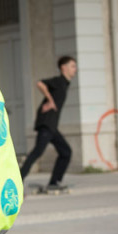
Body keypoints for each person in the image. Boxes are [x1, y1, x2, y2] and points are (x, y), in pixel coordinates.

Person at [19, 56, 77, 192]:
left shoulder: (65, 84)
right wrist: (50, 100)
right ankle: (18, 180)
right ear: (63, 67)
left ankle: (54, 182)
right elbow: (40, 83)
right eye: (72, 66)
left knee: (66, 152)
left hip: (52, 126)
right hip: (46, 123)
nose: (75, 69)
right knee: (37, 152)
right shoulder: (58, 81)